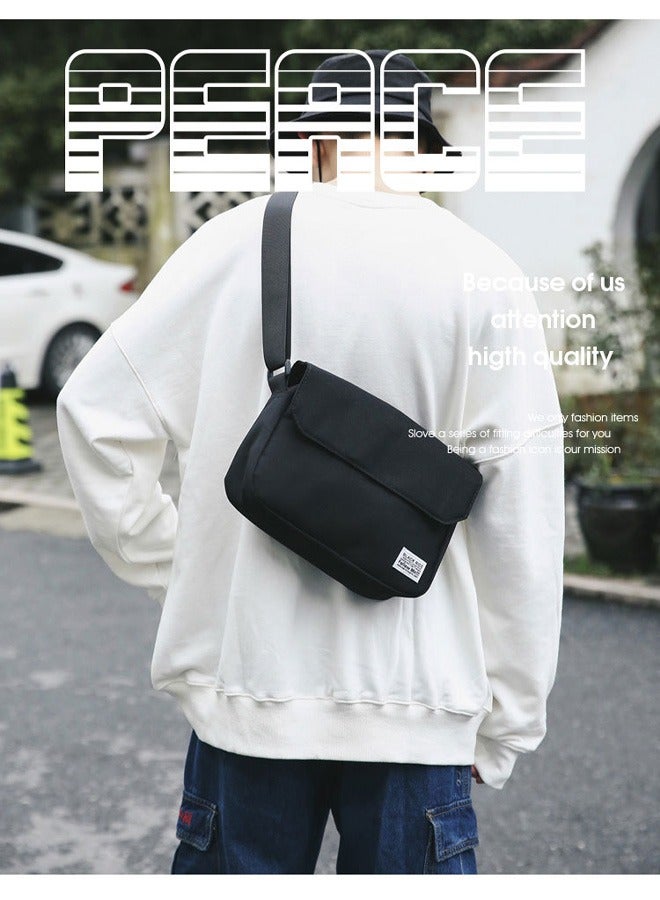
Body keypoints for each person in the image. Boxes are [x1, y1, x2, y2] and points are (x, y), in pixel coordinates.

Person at [56, 50, 565, 875]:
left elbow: (93, 414)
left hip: (246, 697)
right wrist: (507, 721)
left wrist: (178, 572)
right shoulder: (485, 274)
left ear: (315, 140)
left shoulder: (229, 246)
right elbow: (525, 520)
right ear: (421, 147)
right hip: (417, 706)